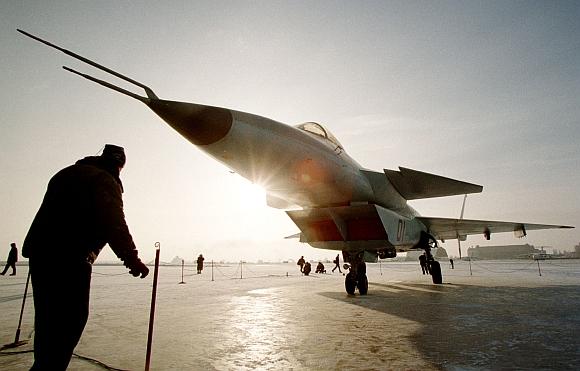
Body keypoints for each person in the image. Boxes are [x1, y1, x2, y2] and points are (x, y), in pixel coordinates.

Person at [22, 144, 149, 370]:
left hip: (41, 254)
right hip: (71, 256)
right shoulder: (104, 179)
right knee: (71, 320)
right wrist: (131, 258)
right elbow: (113, 222)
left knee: (48, 320)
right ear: (118, 164)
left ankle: (43, 366)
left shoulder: (66, 173)